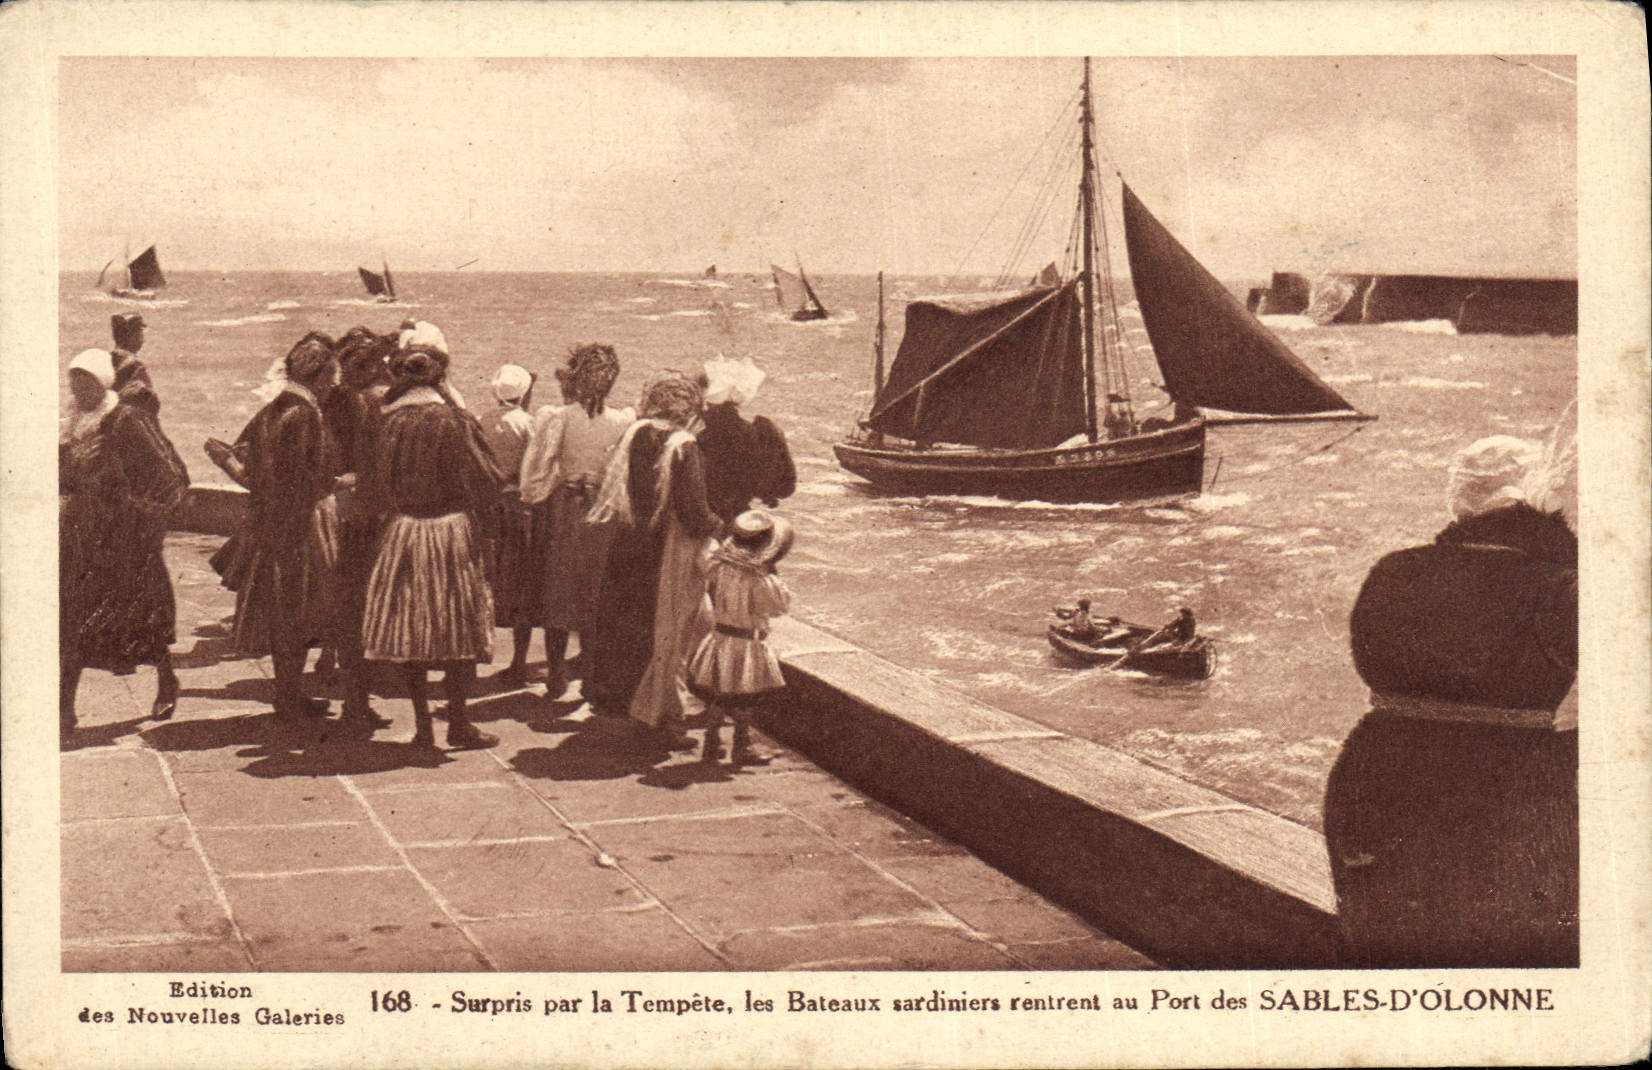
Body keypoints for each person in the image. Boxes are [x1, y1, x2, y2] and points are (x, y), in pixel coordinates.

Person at [1324, 432, 1578, 968]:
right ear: (1540, 501)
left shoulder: (1392, 571)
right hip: (1505, 792)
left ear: (1457, 503)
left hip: (1373, 779)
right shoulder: (1561, 586)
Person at [361, 340, 505, 749]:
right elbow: (486, 479)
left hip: (404, 531)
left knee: (411, 630)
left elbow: (372, 487)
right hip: (451, 531)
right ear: (441, 376)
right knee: (459, 629)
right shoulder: (453, 420)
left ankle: (423, 727)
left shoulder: (387, 421)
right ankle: (459, 724)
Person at [583, 370, 720, 746]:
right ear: (688, 407)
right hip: (666, 548)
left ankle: (631, 707)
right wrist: (720, 526)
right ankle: (659, 718)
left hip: (629, 543)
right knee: (669, 631)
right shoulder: (683, 445)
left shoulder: (635, 433)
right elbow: (693, 513)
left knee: (631, 628)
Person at [60, 348, 191, 738]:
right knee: (73, 623)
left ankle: (167, 678)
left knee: (141, 621)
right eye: (73, 383)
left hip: (126, 541)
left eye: (85, 383)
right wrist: (72, 467)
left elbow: (173, 475)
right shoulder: (72, 426)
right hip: (82, 537)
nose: (78, 391)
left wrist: (142, 516)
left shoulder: (128, 420)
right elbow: (62, 480)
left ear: (102, 384)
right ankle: (64, 713)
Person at [228, 332, 345, 724]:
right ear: (318, 375)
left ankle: (286, 695)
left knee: (285, 614)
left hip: (272, 522)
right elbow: (302, 479)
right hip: (301, 526)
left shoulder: (275, 408)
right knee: (301, 613)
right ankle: (289, 699)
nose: (335, 383)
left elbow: (247, 459)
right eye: (331, 375)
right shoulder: (304, 413)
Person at [517, 343, 632, 700]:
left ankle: (555, 673)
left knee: (559, 589)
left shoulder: (558, 416)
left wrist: (543, 493)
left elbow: (536, 472)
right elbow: (620, 474)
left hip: (565, 507)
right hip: (603, 509)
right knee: (596, 592)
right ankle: (591, 678)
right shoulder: (623, 421)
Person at [687, 510, 793, 765]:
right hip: (746, 643)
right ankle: (742, 745)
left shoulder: (718, 566)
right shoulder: (760, 579)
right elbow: (777, 607)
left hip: (720, 637)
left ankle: (713, 743)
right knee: (745, 699)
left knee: (718, 695)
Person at [482, 363, 540, 686]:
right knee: (522, 584)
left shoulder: (484, 421)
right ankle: (519, 661)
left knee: (490, 579)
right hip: (519, 507)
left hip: (491, 505)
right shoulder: (530, 424)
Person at [695, 356, 796, 528]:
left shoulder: (702, 438)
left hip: (708, 523)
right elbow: (782, 488)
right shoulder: (758, 433)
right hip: (741, 522)